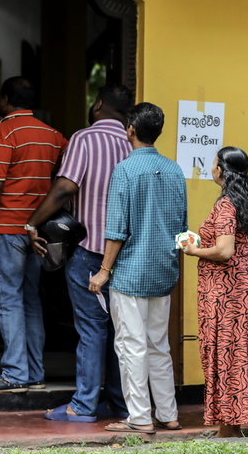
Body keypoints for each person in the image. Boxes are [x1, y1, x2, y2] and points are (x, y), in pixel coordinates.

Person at [25, 84, 133, 422]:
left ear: (98, 104)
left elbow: (66, 187)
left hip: (90, 252)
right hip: (126, 256)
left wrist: (32, 224)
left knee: (91, 329)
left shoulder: (84, 139)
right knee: (119, 331)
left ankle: (83, 405)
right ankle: (118, 401)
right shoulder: (134, 145)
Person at [89, 102, 187, 434]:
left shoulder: (125, 170)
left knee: (131, 345)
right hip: (164, 270)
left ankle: (141, 418)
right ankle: (168, 413)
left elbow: (116, 230)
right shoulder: (174, 170)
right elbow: (180, 225)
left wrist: (104, 270)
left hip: (131, 272)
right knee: (159, 344)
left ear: (129, 128)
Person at [0, 77, 67, 392]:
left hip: (7, 230)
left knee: (8, 300)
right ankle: (34, 373)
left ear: (5, 100)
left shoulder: (4, 132)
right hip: (36, 233)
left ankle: (13, 373)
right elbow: (67, 176)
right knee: (30, 300)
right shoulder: (53, 136)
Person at [182, 146, 248, 438]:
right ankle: (231, 424)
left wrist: (194, 250)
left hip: (228, 292)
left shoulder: (225, 204)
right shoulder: (247, 202)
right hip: (246, 286)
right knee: (240, 354)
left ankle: (227, 428)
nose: (211, 168)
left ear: (221, 170)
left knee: (225, 352)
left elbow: (224, 250)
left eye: (214, 163)